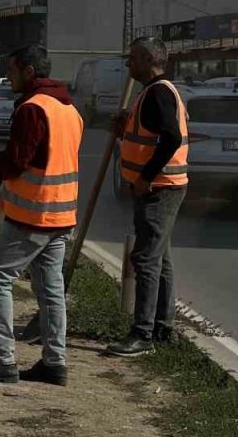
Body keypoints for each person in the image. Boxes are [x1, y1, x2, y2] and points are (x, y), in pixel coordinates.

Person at [0, 44, 83, 387]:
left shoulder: (33, 109)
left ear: (29, 72)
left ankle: (3, 359)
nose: (8, 77)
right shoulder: (68, 107)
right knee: (50, 289)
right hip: (62, 214)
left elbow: (18, 161)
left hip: (34, 215)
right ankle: (55, 363)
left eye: (12, 71)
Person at [106, 37, 188, 357]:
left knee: (146, 259)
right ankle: (163, 327)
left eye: (132, 59)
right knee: (159, 258)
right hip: (162, 187)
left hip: (158, 189)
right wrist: (123, 127)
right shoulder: (154, 92)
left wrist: (145, 178)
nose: (128, 65)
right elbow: (150, 134)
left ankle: (143, 334)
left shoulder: (158, 92)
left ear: (146, 59)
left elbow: (170, 138)